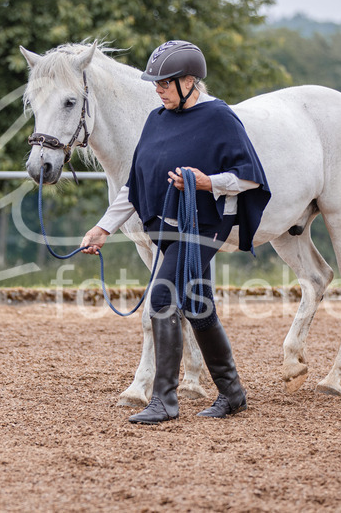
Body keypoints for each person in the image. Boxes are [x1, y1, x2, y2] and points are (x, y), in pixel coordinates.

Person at [80, 40, 271, 425]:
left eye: (165, 83)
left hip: (202, 228)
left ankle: (164, 399)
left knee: (161, 298)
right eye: (156, 83)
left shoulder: (220, 118)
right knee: (198, 307)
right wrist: (103, 227)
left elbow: (250, 178)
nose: (158, 89)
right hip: (166, 228)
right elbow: (135, 184)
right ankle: (232, 393)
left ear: (189, 81)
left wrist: (207, 182)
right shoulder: (156, 118)